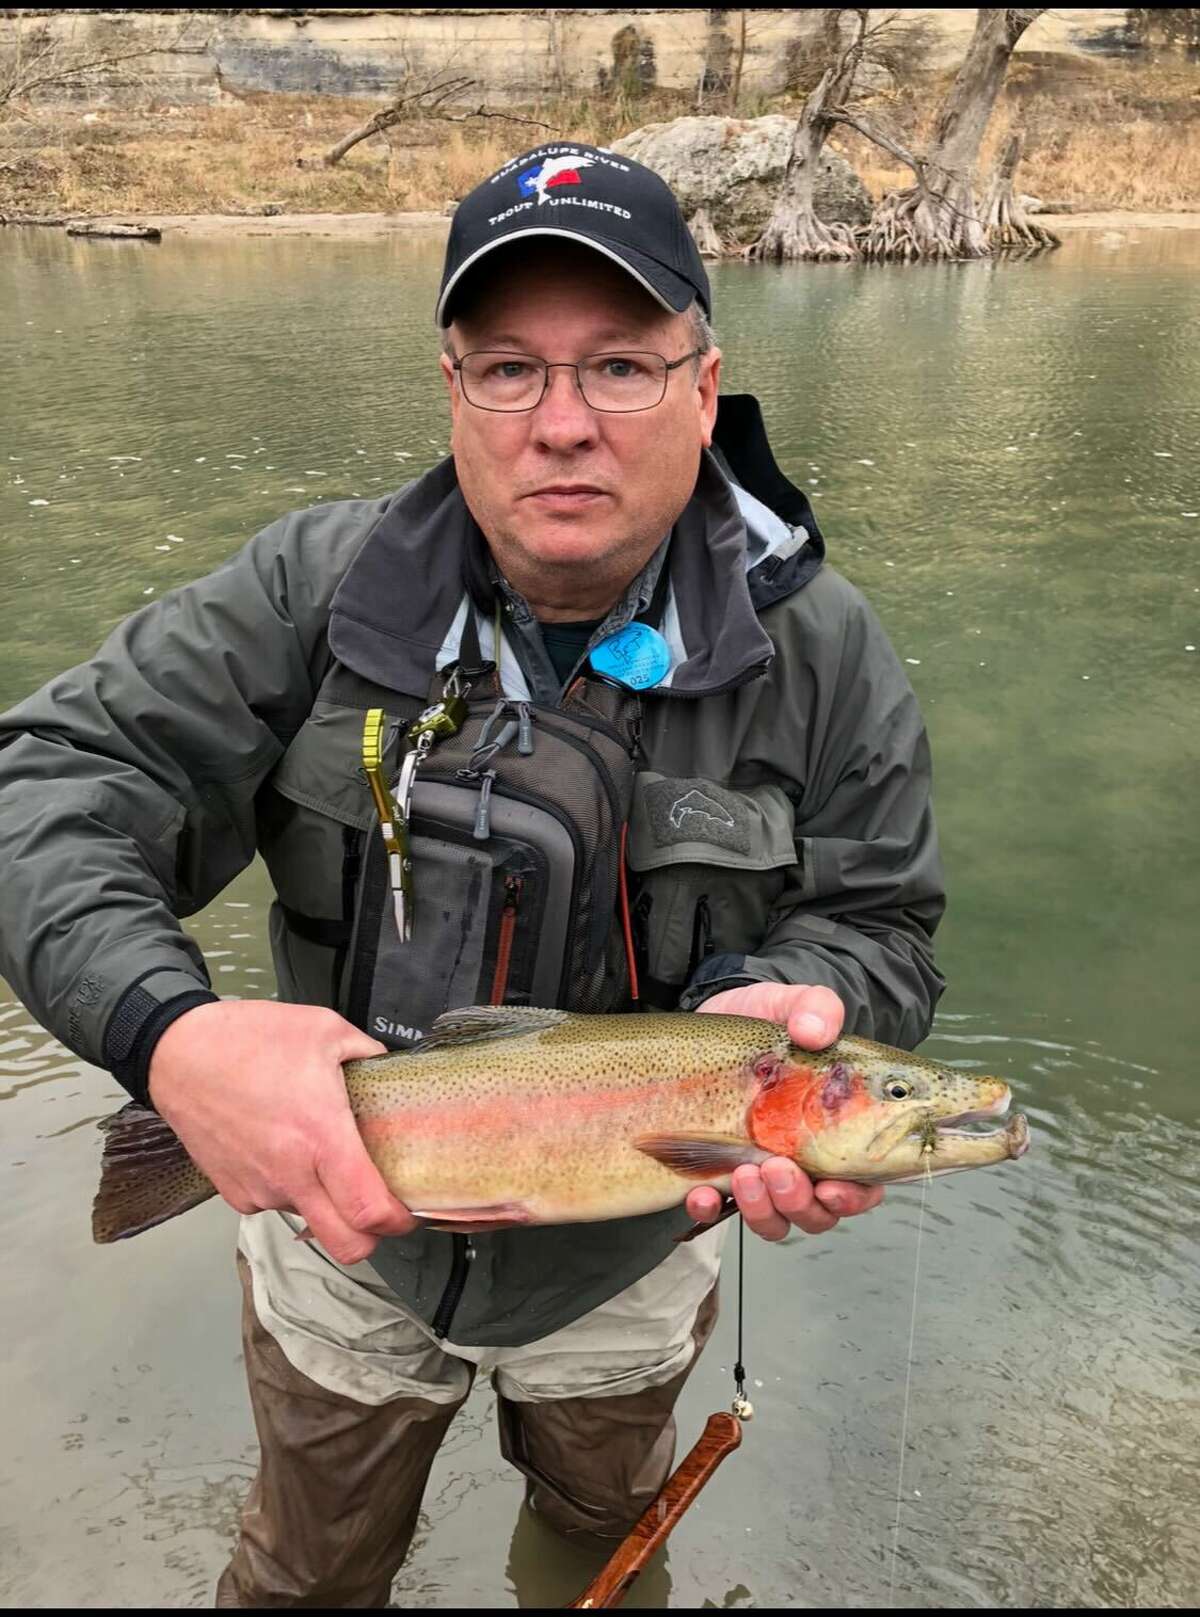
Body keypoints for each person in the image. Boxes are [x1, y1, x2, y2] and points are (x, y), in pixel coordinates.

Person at [0, 141, 945, 1606]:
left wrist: (808, 999)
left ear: (705, 387)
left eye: (620, 365)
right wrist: (168, 1039)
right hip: (338, 1235)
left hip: (629, 1256)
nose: (561, 422)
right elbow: (40, 784)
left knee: (600, 1531)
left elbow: (883, 923)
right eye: (509, 369)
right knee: (308, 1571)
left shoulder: (827, 658)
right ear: (452, 392)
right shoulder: (309, 593)